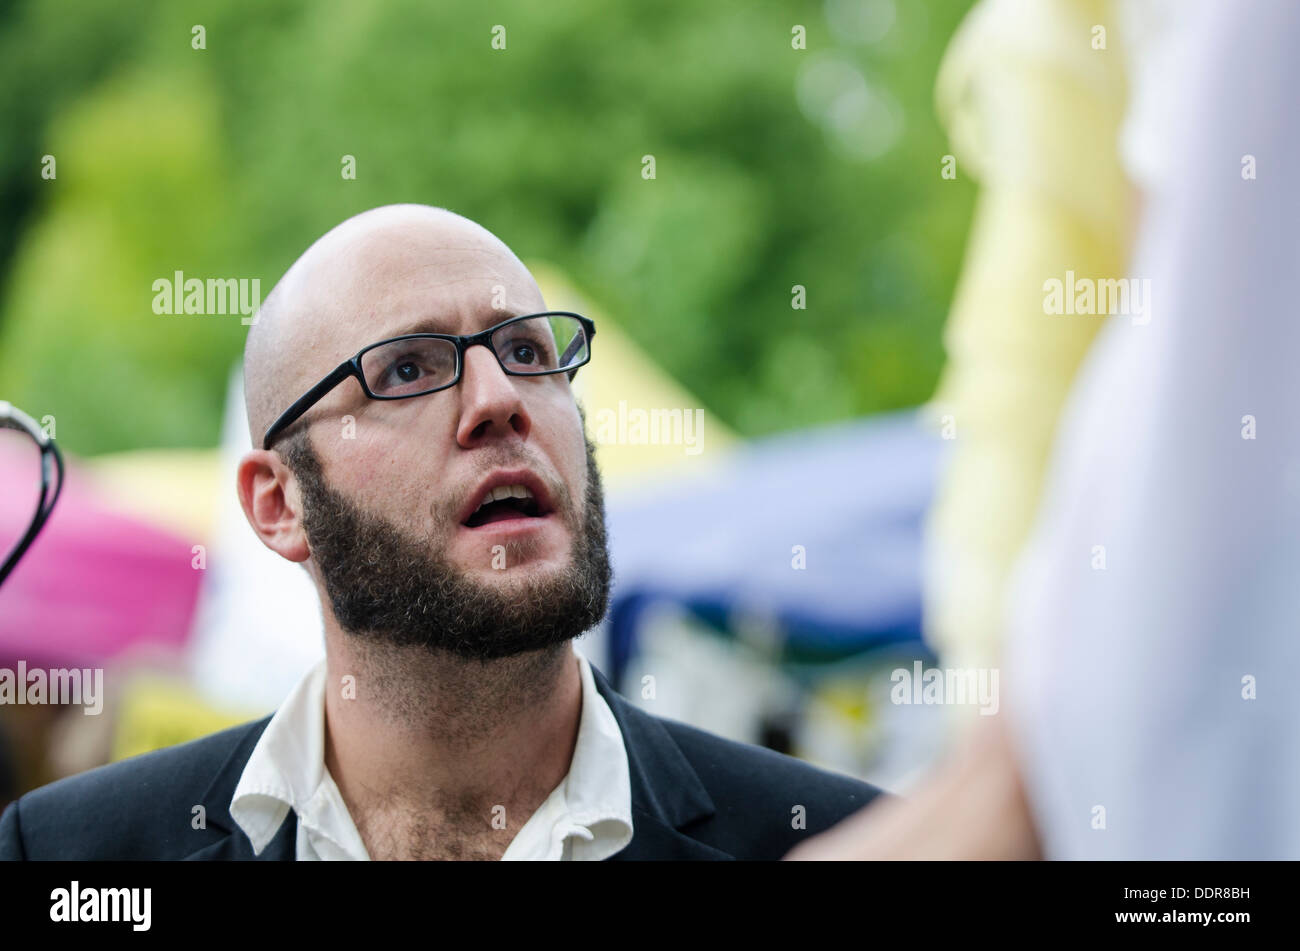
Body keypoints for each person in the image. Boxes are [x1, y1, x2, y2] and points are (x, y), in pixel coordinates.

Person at [0, 204, 882, 861]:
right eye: (409, 369)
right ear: (278, 502)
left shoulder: (839, 840)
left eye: (532, 355)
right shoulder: (78, 855)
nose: (499, 401)